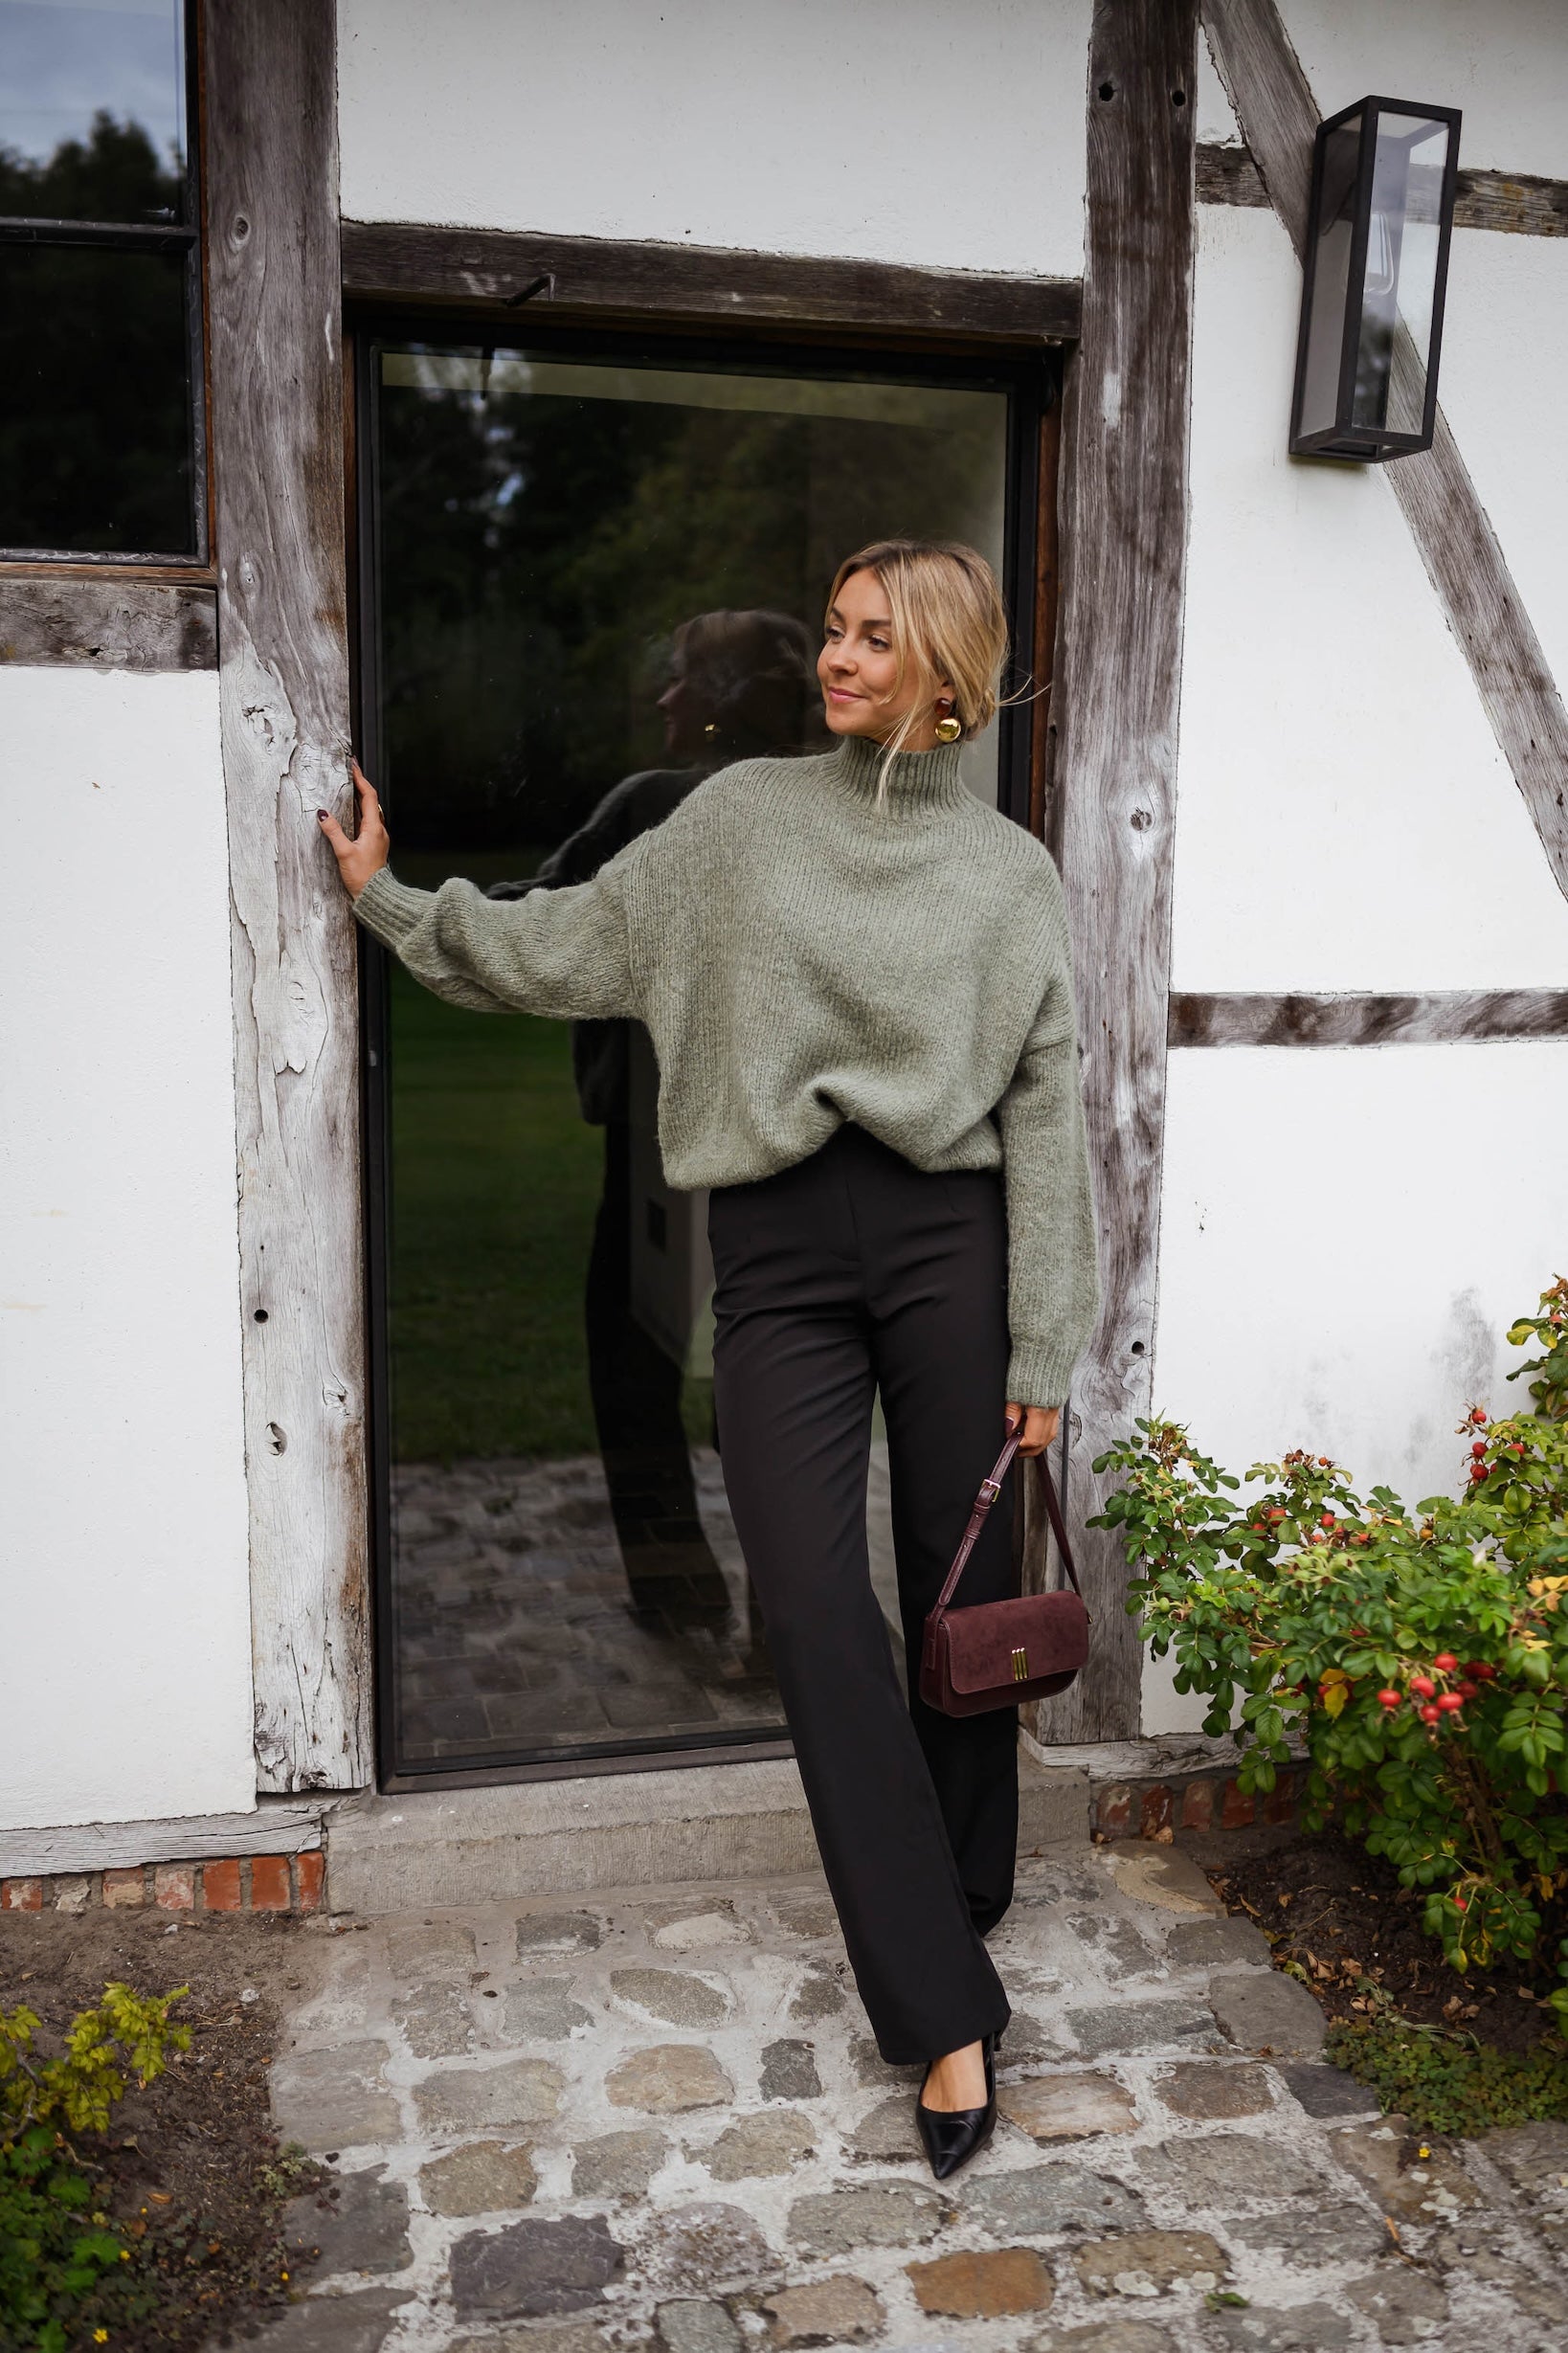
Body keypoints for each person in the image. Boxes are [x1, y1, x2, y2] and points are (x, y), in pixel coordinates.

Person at [322, 539, 1100, 2180]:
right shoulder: (734, 820)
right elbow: (563, 948)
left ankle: (954, 1897)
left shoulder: (1010, 876)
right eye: (830, 630)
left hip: (951, 1244)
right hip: (780, 1255)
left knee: (956, 1602)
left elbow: (1044, 1110)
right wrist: (393, 900)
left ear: (944, 675)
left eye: (875, 639)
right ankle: (944, 2008)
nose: (836, 659)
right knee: (815, 1606)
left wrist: (1044, 1333)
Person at [484, 610, 818, 1625]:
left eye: (683, 680)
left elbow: (534, 926)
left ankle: (678, 1593)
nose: (666, 699)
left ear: (721, 704)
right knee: (773, 1374)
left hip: (658, 1142)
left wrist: (398, 900)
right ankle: (790, 1613)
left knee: (634, 1360)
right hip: (791, 1138)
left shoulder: (656, 804)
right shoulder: (822, 805)